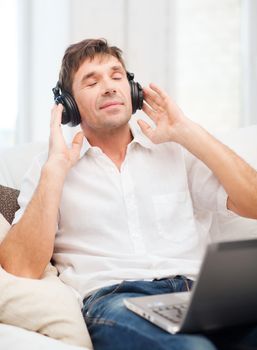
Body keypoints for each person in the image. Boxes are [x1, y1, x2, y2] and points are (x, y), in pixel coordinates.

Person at [0, 38, 257, 350]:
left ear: (133, 91)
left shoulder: (175, 150)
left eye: (117, 76)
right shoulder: (50, 167)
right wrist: (54, 173)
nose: (109, 87)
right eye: (91, 81)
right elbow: (20, 267)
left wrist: (188, 130)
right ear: (68, 104)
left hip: (197, 295)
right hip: (116, 302)